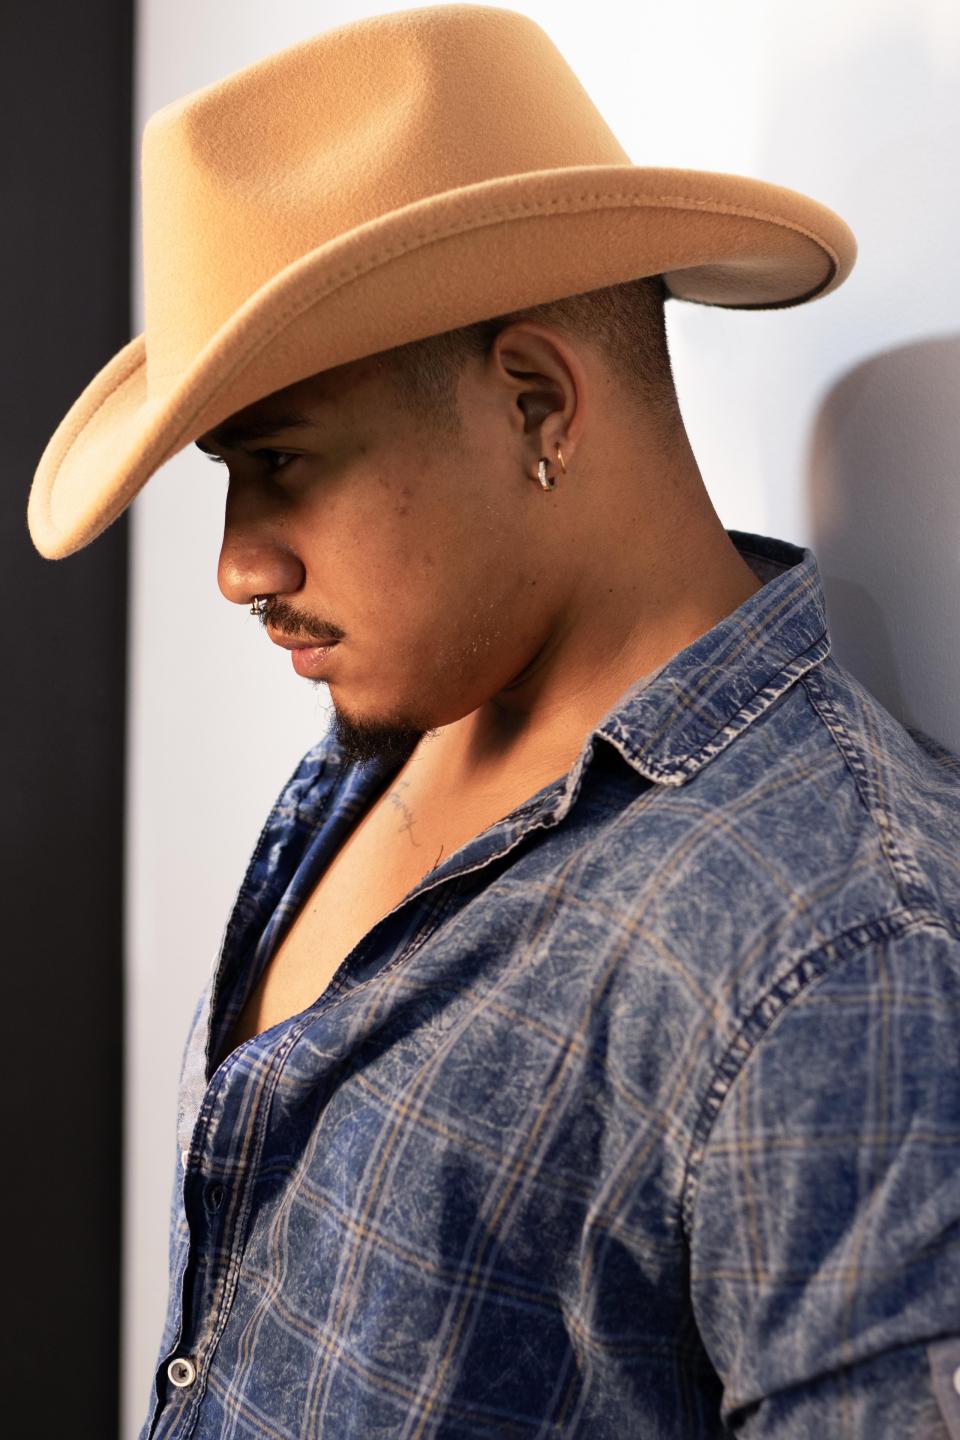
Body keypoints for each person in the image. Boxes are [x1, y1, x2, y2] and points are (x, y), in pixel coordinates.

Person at [28, 6, 960, 1437]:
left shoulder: (841, 944)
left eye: (284, 462)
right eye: (229, 474)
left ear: (536, 402)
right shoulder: (403, 718)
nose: (237, 566)